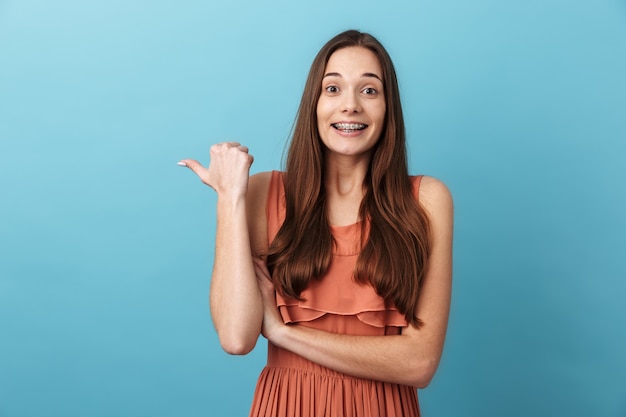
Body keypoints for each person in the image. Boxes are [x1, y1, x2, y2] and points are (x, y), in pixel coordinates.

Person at [178, 29, 453, 417]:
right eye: (333, 89)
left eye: (369, 91)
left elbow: (419, 364)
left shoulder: (426, 200)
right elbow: (236, 337)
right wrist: (229, 198)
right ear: (315, 103)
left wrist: (283, 333)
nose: (351, 106)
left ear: (389, 108)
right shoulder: (263, 193)